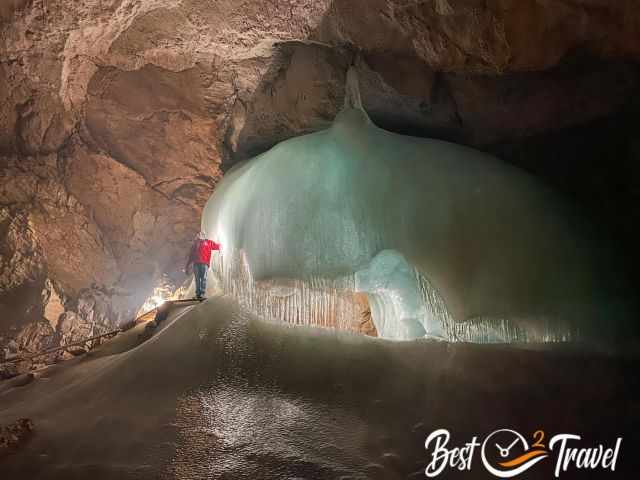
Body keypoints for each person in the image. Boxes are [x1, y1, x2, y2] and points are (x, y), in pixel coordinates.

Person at [185, 231, 221, 299]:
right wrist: (187, 266)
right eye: (198, 234)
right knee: (197, 279)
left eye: (201, 234)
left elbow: (217, 246)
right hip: (196, 264)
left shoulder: (209, 242)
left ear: (204, 235)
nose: (199, 235)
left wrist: (220, 245)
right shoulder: (195, 244)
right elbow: (191, 256)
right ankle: (198, 294)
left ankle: (202, 293)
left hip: (205, 264)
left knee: (203, 278)